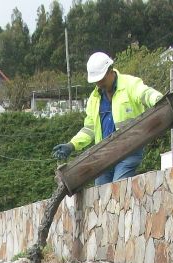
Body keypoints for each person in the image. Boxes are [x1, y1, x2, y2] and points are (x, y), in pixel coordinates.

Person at [52, 52, 163, 186]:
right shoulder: (95, 98)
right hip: (104, 155)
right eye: (96, 81)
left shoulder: (130, 84)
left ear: (111, 71)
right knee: (101, 195)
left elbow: (145, 94)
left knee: (118, 188)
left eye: (102, 80)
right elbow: (89, 129)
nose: (99, 84)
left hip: (129, 149)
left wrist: (159, 99)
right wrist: (71, 145)